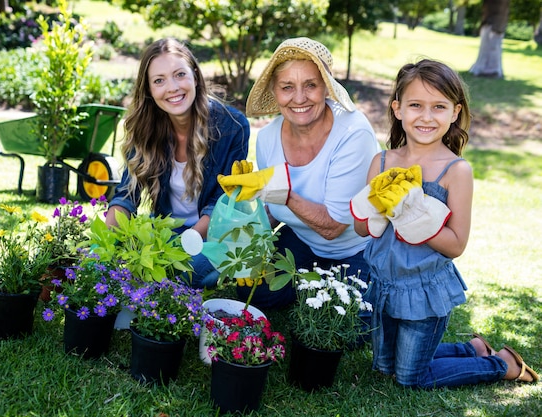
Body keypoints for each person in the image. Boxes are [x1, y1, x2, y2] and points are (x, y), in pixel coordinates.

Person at [351, 58, 539, 388]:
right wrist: (376, 210)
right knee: (383, 368)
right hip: (384, 282)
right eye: (415, 105)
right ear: (397, 109)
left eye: (438, 106)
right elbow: (362, 230)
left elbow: (456, 245)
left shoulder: (456, 171)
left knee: (410, 377)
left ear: (454, 112)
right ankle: (472, 348)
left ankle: (500, 364)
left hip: (424, 288)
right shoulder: (381, 162)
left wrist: (415, 216)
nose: (426, 116)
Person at [218, 37, 381, 310]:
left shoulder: (353, 133)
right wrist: (244, 234)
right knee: (257, 294)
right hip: (302, 242)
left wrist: (281, 191)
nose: (299, 98)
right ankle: (311, 286)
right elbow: (271, 209)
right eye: (287, 87)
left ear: (326, 88)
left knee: (346, 326)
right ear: (275, 91)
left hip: (357, 249)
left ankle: (320, 289)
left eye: (310, 85)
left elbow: (334, 227)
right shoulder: (269, 137)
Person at [105, 38, 250, 289]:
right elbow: (126, 197)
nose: (172, 87)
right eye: (159, 80)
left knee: (187, 269)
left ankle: (174, 279)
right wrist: (103, 246)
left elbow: (222, 203)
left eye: (179, 74)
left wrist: (185, 244)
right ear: (149, 90)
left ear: (195, 75)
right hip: (166, 232)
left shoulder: (232, 126)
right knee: (131, 259)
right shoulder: (143, 128)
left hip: (212, 236)